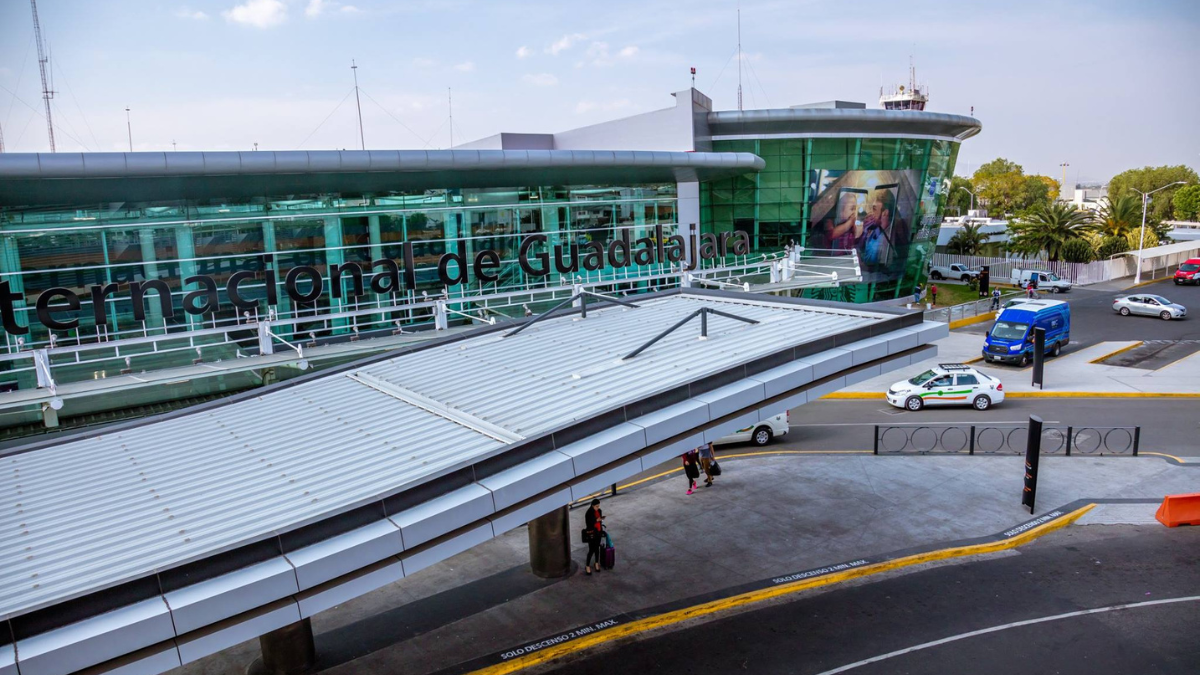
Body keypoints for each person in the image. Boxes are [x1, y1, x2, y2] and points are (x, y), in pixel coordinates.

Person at [583, 499, 604, 575]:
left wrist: (600, 520)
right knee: (591, 550)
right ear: (592, 506)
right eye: (596, 506)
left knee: (597, 548)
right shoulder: (589, 513)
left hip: (598, 532)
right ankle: (587, 565)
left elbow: (600, 522)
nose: (598, 507)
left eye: (598, 506)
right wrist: (596, 520)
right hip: (592, 533)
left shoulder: (599, 511)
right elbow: (589, 524)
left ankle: (596, 563)